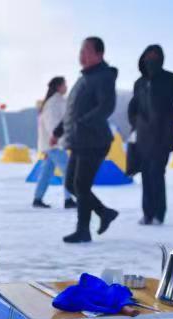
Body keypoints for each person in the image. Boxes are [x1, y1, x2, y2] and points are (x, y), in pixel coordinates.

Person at [51, 37, 120, 243]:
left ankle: (83, 230)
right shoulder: (84, 78)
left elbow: (106, 106)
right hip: (79, 140)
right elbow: (72, 111)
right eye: (81, 51)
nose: (82, 55)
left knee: (80, 185)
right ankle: (104, 212)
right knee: (72, 184)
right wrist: (58, 130)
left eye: (87, 51)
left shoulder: (104, 76)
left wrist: (83, 122)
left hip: (95, 140)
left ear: (99, 55)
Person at [127, 45, 173, 225]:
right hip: (143, 136)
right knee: (146, 174)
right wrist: (135, 122)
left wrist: (170, 117)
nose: (151, 59)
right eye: (148, 55)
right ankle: (147, 214)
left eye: (155, 56)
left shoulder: (171, 78)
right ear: (143, 57)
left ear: (161, 58)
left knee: (157, 173)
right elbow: (133, 106)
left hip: (162, 135)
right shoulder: (139, 83)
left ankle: (159, 214)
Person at [33, 77, 76, 209]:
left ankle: (37, 199)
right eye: (65, 84)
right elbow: (52, 124)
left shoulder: (55, 101)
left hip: (49, 144)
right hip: (54, 144)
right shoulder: (54, 103)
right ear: (58, 86)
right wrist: (58, 139)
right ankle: (68, 199)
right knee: (68, 171)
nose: (66, 87)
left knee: (46, 172)